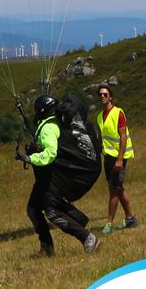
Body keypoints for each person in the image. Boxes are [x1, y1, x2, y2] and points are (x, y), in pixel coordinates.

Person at [16, 94, 102, 257]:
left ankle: (87, 238)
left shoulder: (49, 128)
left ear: (41, 111)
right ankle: (47, 249)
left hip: (52, 178)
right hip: (45, 177)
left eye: (35, 110)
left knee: (52, 211)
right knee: (33, 209)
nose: (34, 113)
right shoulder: (51, 123)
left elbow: (50, 153)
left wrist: (30, 158)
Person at [96, 84, 138, 234]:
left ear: (110, 97)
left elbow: (123, 136)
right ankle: (130, 218)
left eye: (105, 94)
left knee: (114, 189)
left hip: (118, 157)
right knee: (117, 188)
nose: (102, 96)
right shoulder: (99, 117)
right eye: (100, 94)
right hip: (107, 157)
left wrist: (120, 159)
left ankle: (109, 223)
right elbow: (100, 138)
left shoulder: (118, 113)